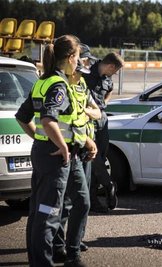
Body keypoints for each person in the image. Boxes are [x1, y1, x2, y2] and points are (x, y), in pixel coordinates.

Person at [15, 34, 93, 267]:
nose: (79, 62)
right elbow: (48, 120)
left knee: (65, 205)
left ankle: (65, 255)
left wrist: (41, 139)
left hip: (52, 152)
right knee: (48, 214)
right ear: (70, 58)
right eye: (78, 57)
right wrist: (59, 145)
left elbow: (23, 117)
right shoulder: (58, 84)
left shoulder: (44, 81)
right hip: (56, 156)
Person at [53, 58, 101, 262]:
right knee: (68, 204)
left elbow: (97, 112)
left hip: (81, 150)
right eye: (79, 72)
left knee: (79, 201)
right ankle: (62, 248)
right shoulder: (64, 87)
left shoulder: (81, 86)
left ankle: (71, 247)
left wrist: (86, 112)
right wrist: (88, 140)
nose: (81, 76)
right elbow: (69, 122)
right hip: (69, 149)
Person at [82, 52, 124, 213]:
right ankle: (108, 185)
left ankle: (94, 201)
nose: (115, 74)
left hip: (102, 120)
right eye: (116, 71)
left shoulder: (108, 78)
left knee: (100, 157)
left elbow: (109, 90)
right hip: (88, 120)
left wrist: (103, 104)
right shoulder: (86, 74)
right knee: (94, 158)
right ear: (111, 66)